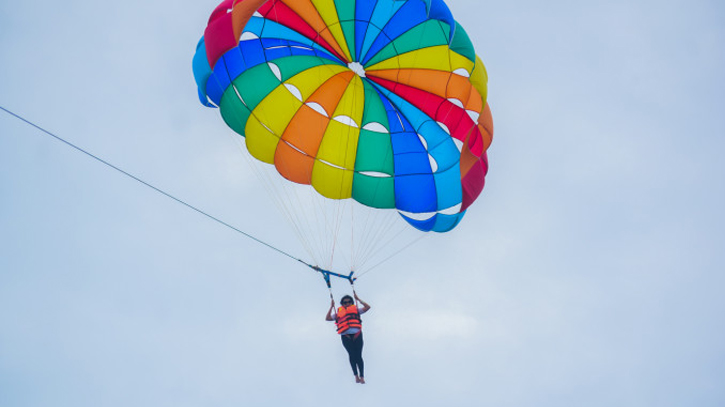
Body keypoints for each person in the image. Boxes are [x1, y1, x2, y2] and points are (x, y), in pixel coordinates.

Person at [326, 292, 371, 384]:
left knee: (358, 355)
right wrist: (331, 307)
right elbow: (328, 318)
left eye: (349, 302)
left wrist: (358, 299)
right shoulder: (338, 313)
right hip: (345, 335)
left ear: (352, 303)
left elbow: (367, 307)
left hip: (357, 334)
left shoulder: (356, 310)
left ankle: (362, 376)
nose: (347, 304)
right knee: (351, 355)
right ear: (342, 304)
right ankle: (356, 376)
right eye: (344, 302)